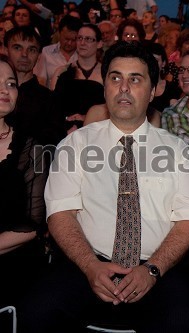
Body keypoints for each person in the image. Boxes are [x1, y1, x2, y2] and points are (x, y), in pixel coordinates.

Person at [18, 41, 189, 333]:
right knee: (36, 312)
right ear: (104, 87)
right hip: (86, 263)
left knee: (183, 322)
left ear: (154, 90)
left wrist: (152, 270)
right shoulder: (75, 145)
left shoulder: (180, 151)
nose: (124, 87)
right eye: (115, 78)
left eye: (136, 79)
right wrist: (91, 266)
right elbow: (60, 214)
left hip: (157, 268)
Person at [0, 54, 49, 309]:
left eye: (11, 83)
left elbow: (33, 223)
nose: (5, 90)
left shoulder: (33, 148)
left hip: (14, 261)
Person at [5, 26, 62, 146]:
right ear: (5, 50)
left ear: (39, 56)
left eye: (32, 49)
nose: (24, 54)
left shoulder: (50, 100)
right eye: (17, 48)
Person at [50, 24, 105, 134]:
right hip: (65, 130)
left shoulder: (107, 74)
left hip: (97, 130)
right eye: (79, 38)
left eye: (88, 39)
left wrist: (87, 118)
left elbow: (112, 108)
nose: (82, 43)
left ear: (99, 44)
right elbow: (53, 109)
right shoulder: (61, 72)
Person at [33, 14, 82, 88]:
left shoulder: (83, 53)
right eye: (66, 39)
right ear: (59, 33)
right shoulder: (47, 52)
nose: (69, 43)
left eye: (74, 40)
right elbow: (40, 81)